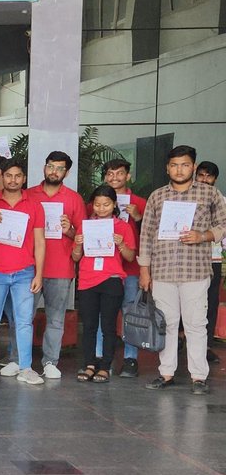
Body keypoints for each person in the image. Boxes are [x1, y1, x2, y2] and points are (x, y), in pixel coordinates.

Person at [139, 146, 226, 394]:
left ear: (194, 167)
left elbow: (223, 223)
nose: (179, 170)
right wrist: (145, 270)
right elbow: (146, 234)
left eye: (185, 165)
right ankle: (166, 374)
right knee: (166, 324)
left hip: (195, 271)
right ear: (168, 168)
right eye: (174, 165)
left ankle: (198, 377)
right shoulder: (157, 196)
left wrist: (204, 235)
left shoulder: (210, 194)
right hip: (163, 271)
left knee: (196, 325)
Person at [0, 159, 45, 388]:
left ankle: (25, 368)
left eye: (17, 176)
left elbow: (40, 242)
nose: (13, 180)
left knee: (24, 322)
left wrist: (39, 274)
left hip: (25, 271)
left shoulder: (34, 205)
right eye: (8, 176)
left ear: (24, 178)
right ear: (0, 178)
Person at [25, 151, 86, 380]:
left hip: (61, 268)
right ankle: (18, 359)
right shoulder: (29, 195)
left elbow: (82, 234)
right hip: (29, 267)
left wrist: (69, 229)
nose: (54, 171)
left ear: (67, 172)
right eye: (51, 166)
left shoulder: (73, 198)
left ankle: (50, 361)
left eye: (60, 168)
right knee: (24, 317)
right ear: (44, 167)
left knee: (56, 319)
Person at [73, 184, 136, 383]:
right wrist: (77, 243)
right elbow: (76, 257)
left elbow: (130, 256)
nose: (101, 208)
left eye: (106, 204)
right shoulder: (85, 225)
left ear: (114, 204)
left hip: (112, 279)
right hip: (87, 279)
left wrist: (121, 244)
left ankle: (105, 365)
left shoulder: (122, 227)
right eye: (98, 205)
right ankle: (90, 363)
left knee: (108, 326)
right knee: (89, 325)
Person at [98, 158, 146, 377]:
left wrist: (138, 218)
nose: (114, 177)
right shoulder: (97, 202)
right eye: (110, 173)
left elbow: (152, 234)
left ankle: (130, 359)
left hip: (132, 269)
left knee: (130, 313)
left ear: (128, 176)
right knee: (103, 314)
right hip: (105, 269)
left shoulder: (140, 202)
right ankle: (100, 358)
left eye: (119, 173)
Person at [196, 161, 221, 363]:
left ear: (215, 180)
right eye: (201, 175)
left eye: (209, 176)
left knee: (210, 303)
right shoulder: (187, 198)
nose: (204, 180)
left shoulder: (221, 201)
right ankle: (180, 339)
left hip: (212, 258)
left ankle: (207, 346)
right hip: (189, 259)